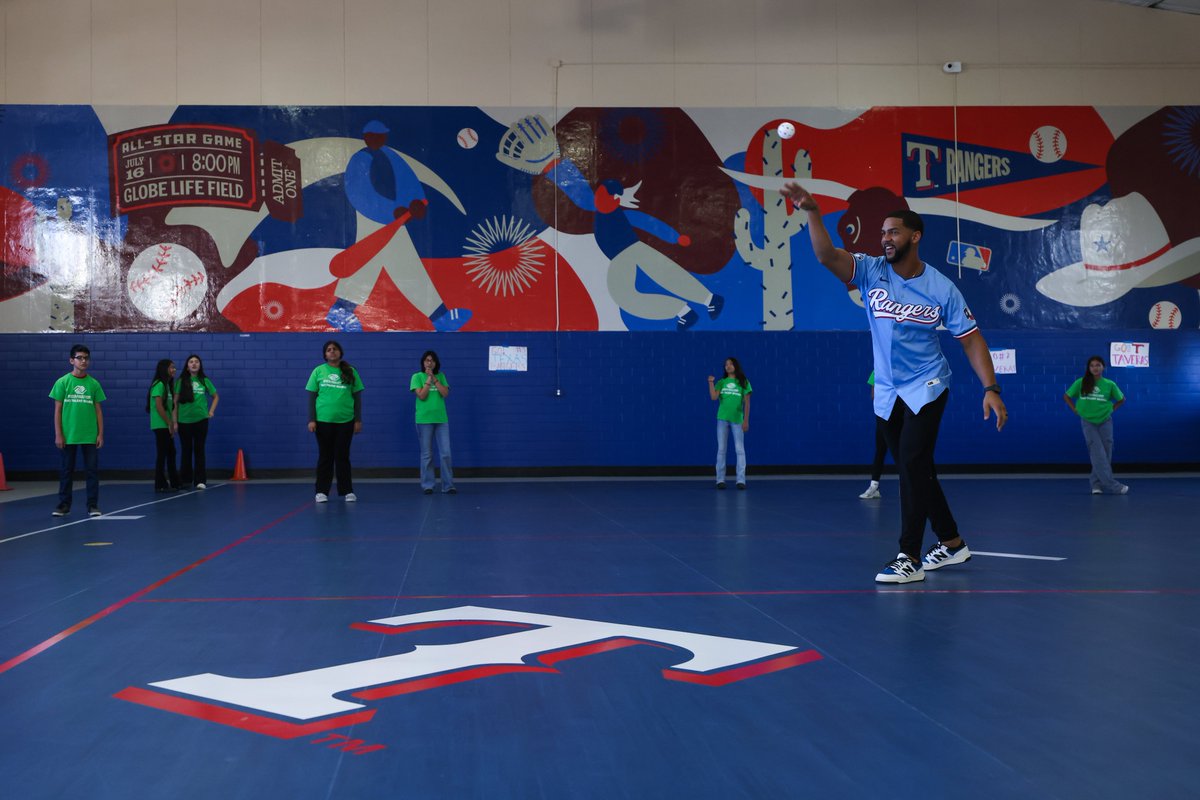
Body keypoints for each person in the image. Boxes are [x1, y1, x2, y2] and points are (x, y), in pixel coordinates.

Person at [782, 181, 1007, 585]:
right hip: (886, 389)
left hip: (927, 384)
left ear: (915, 236)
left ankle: (909, 556)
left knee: (912, 464)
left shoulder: (942, 288)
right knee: (914, 465)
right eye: (883, 233)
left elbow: (971, 339)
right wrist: (813, 211)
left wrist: (991, 389)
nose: (885, 238)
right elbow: (824, 254)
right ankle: (952, 543)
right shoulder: (870, 270)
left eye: (893, 232)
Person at [326, 120, 471, 333]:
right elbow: (359, 193)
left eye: (381, 135)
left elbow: (409, 182)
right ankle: (439, 316)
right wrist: (390, 211)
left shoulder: (393, 157)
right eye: (373, 135)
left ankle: (340, 310)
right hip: (373, 218)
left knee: (389, 264)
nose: (378, 139)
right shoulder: (359, 160)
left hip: (395, 219)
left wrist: (418, 203)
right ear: (366, 137)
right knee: (402, 263)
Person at [49, 344, 105, 517]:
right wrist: (59, 433)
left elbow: (98, 411)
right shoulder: (62, 382)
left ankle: (92, 505)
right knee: (66, 471)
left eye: (86, 358)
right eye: (80, 358)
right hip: (69, 435)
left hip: (89, 435)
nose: (83, 361)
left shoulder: (94, 384)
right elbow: (57, 410)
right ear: (71, 360)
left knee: (92, 471)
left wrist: (100, 433)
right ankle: (64, 505)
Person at [306, 340, 364, 503]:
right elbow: (312, 397)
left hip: (346, 421)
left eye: (335, 349)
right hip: (323, 421)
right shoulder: (318, 371)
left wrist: (358, 420)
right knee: (325, 456)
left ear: (340, 353)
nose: (332, 352)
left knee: (342, 456)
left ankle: (347, 491)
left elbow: (357, 397)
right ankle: (321, 491)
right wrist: (311, 419)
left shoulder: (350, 371)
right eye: (329, 350)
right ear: (325, 354)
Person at [1063, 355, 1128, 495]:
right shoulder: (1081, 382)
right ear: (1088, 368)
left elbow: (1122, 399)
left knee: (1106, 453)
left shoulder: (1110, 384)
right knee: (1097, 453)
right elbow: (1066, 396)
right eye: (1092, 365)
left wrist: (1111, 409)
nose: (1095, 368)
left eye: (1098, 365)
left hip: (1105, 421)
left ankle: (1096, 484)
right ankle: (1113, 485)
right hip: (1088, 422)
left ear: (1103, 367)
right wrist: (1075, 409)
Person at [411, 350, 455, 495]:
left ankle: (448, 485)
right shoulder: (416, 377)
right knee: (427, 455)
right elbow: (422, 396)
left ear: (436, 363)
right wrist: (428, 380)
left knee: (446, 453)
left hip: (441, 419)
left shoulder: (441, 376)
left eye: (432, 360)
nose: (429, 363)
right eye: (427, 360)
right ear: (423, 362)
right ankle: (428, 485)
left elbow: (445, 393)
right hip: (424, 420)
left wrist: (435, 379)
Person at [176, 354, 219, 490]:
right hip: (184, 421)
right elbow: (175, 402)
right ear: (187, 366)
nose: (194, 364)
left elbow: (216, 396)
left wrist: (211, 411)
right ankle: (185, 479)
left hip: (201, 420)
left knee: (199, 450)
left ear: (200, 365)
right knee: (186, 450)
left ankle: (200, 480)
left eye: (196, 362)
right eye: (191, 362)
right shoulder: (180, 381)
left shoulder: (204, 380)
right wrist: (174, 421)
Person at [708, 357, 752, 489]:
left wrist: (746, 420)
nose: (728, 366)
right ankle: (720, 480)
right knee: (721, 449)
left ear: (736, 366)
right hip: (722, 419)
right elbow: (714, 397)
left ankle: (741, 480)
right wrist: (711, 383)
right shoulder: (721, 382)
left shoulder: (743, 382)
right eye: (726, 365)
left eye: (731, 364)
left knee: (740, 450)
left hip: (737, 420)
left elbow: (747, 403)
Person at [146, 359, 180, 493]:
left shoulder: (167, 385)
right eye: (172, 367)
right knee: (162, 454)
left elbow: (169, 407)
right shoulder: (159, 384)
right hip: (160, 425)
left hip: (166, 425)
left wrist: (171, 423)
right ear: (164, 369)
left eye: (175, 368)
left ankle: (174, 482)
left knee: (171, 452)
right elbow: (159, 406)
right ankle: (160, 483)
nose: (174, 370)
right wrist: (168, 422)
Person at [859, 370, 888, 499]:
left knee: (904, 452)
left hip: (901, 417)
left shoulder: (901, 366)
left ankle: (909, 487)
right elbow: (873, 395)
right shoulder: (877, 370)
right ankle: (874, 487)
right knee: (880, 450)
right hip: (883, 416)